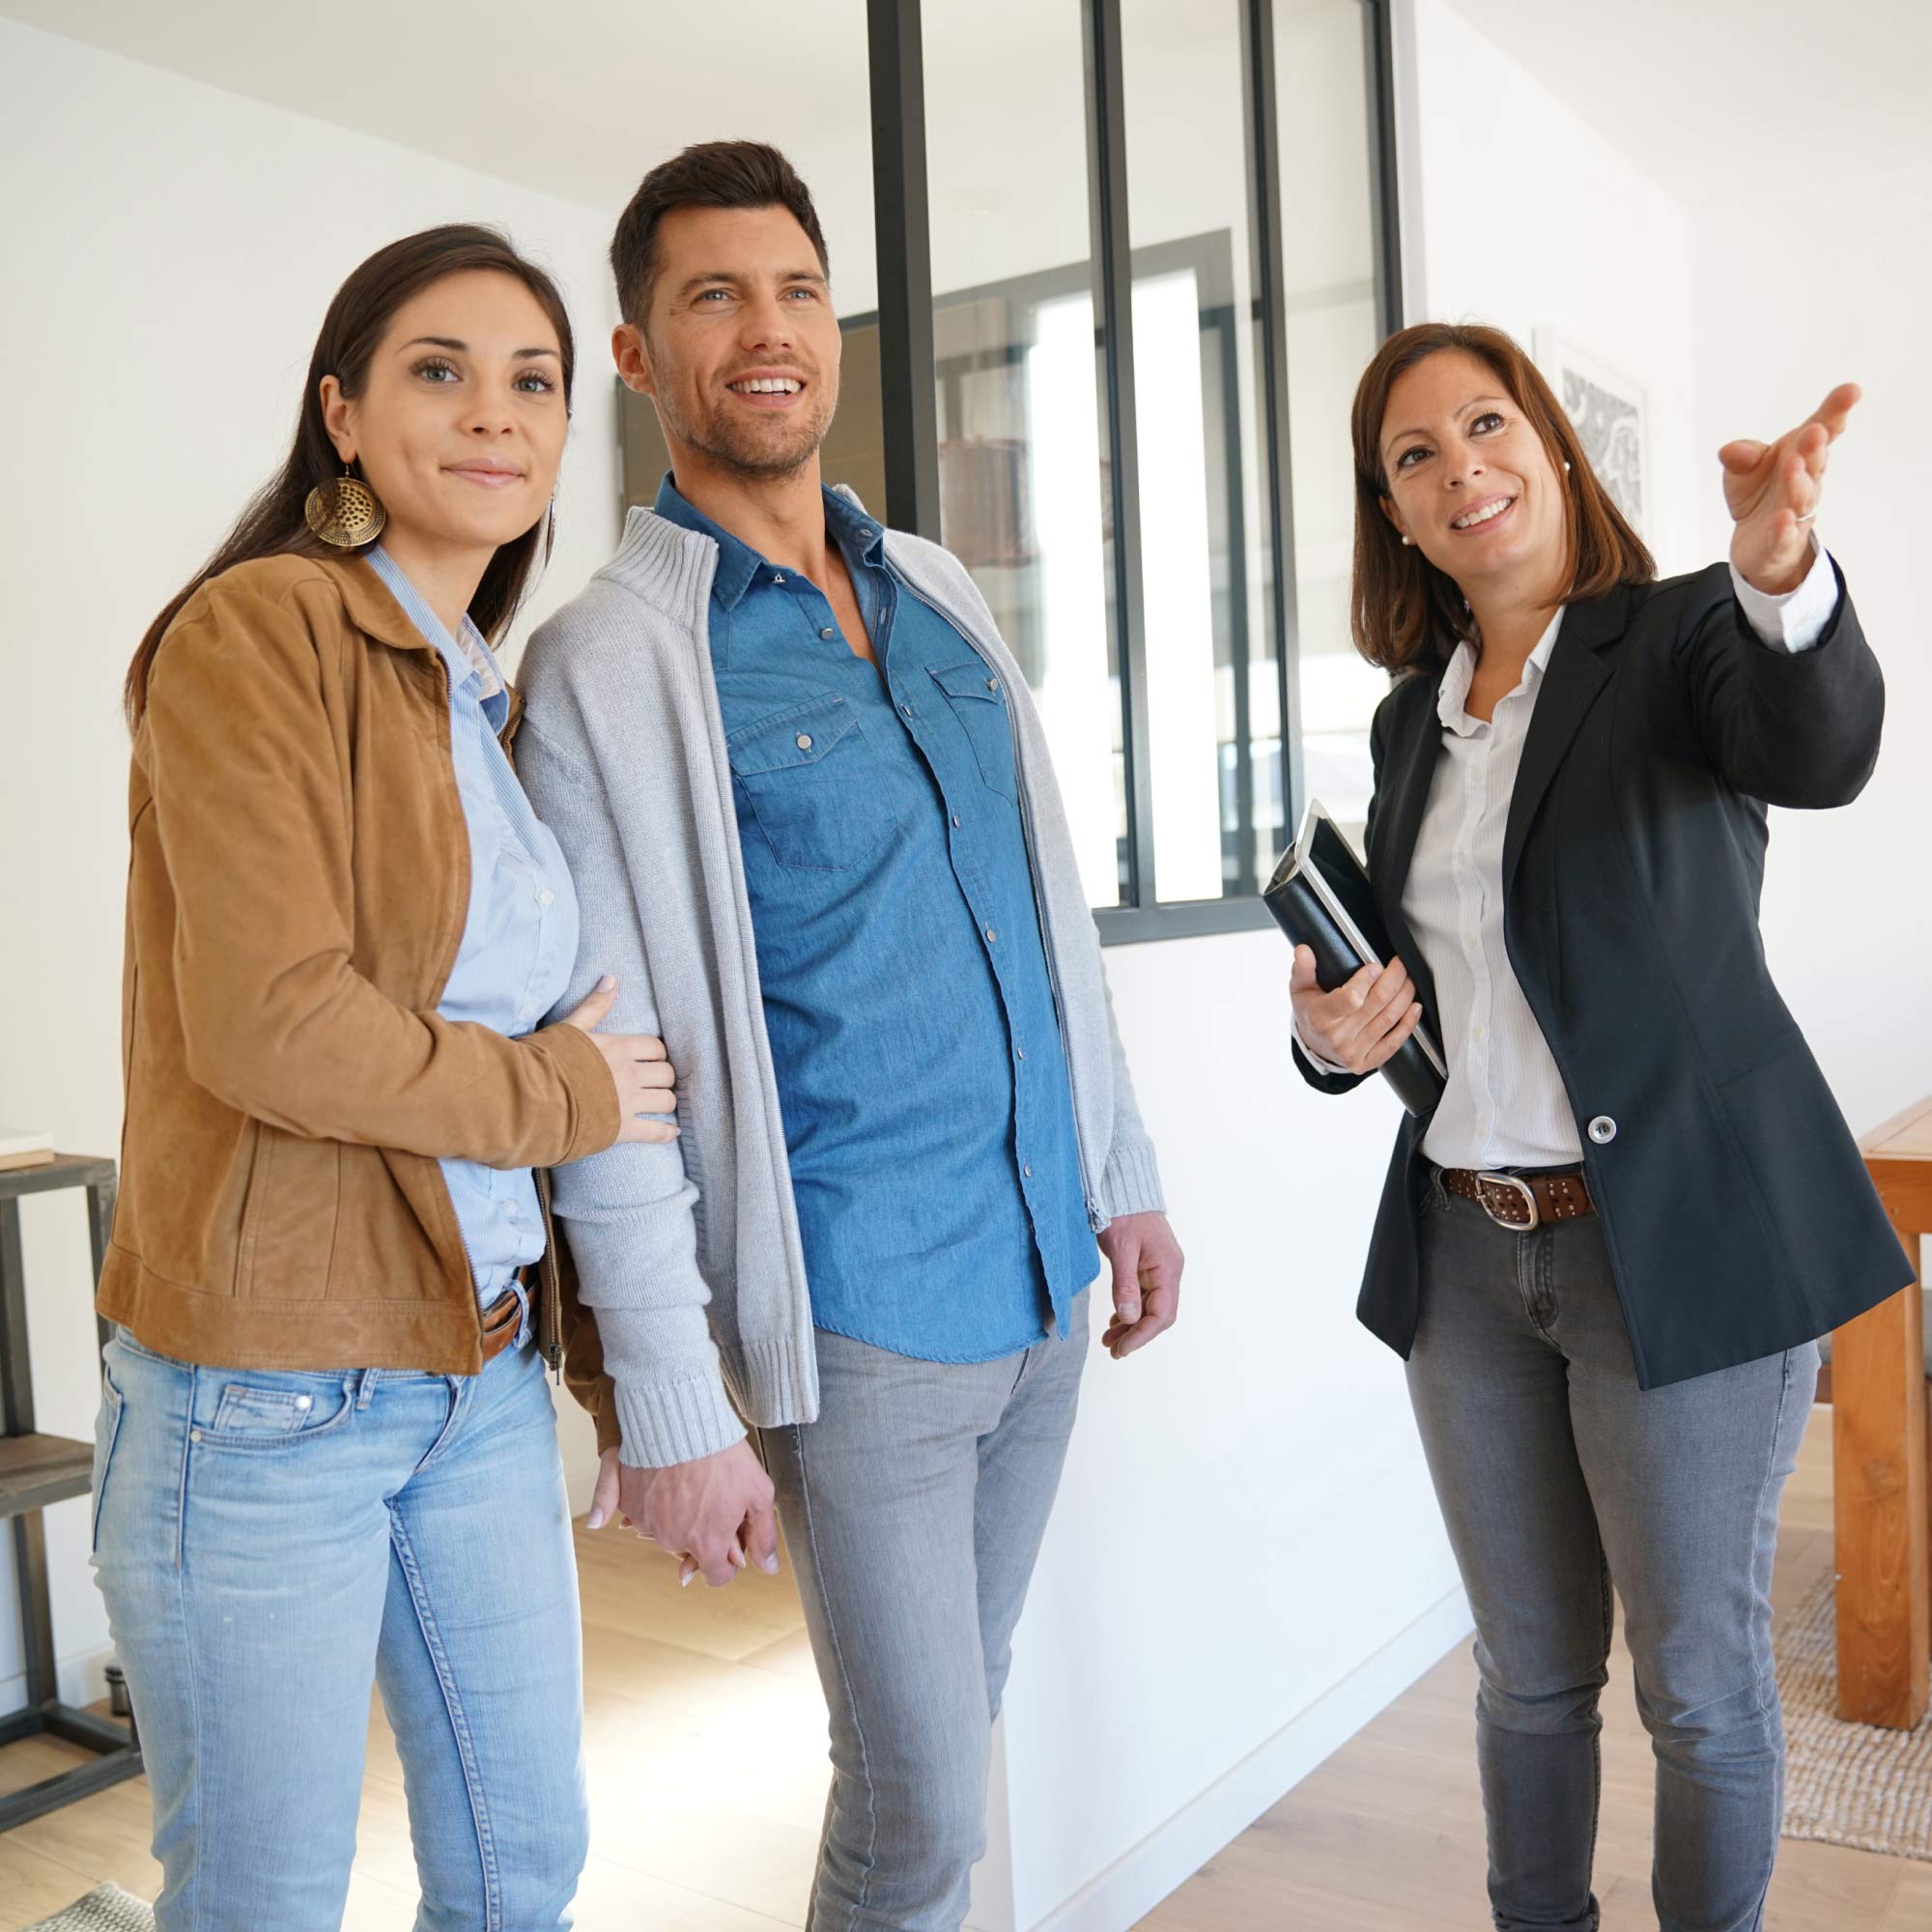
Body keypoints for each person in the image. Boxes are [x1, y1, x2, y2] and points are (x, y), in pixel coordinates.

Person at [513, 141, 1184, 1932]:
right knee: (915, 1810)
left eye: (796, 290)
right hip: (865, 1320)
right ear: (641, 356)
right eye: (712, 296)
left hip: (1047, 1285)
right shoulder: (609, 665)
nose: (767, 330)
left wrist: (1122, 1177)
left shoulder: (944, 595)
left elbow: (1054, 925)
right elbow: (613, 1072)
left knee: (946, 1748)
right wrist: (670, 1401)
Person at [92, 225, 677, 1932]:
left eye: (534, 383)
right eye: (441, 370)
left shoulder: (472, 686)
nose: (493, 415)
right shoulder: (256, 634)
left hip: (474, 1377)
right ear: (342, 414)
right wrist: (568, 1090)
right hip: (266, 1401)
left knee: (519, 1871)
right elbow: (276, 1024)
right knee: (265, 1897)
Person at [1289, 321, 1907, 1932]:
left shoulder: (1689, 639)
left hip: (1673, 1249)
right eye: (1414, 457)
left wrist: (1780, 575)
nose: (1460, 469)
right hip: (1467, 1262)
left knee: (1696, 1683)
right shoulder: (1409, 726)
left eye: (1485, 427)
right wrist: (1331, 1038)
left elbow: (1821, 748)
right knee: (1528, 1676)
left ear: (1554, 452)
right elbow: (1438, 1009)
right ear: (1397, 516)